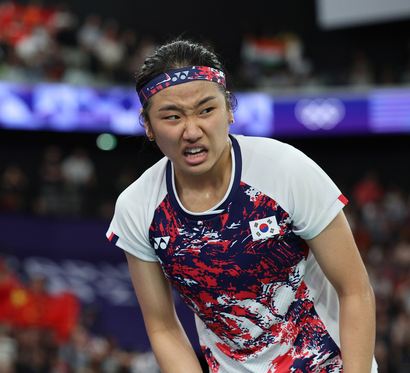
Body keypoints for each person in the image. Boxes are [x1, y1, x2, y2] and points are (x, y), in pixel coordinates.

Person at [106, 39, 377, 373]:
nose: (192, 131)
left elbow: (354, 290)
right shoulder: (138, 208)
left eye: (207, 110)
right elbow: (163, 326)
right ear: (147, 125)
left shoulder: (287, 170)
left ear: (230, 109)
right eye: (172, 116)